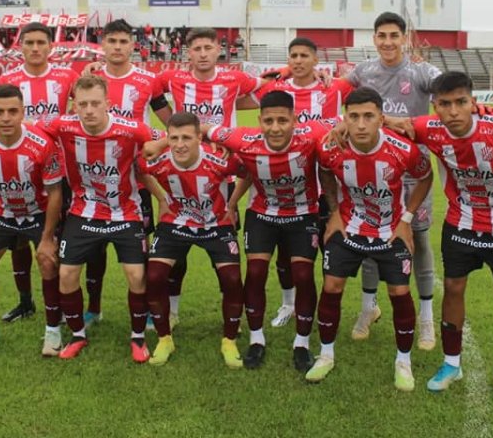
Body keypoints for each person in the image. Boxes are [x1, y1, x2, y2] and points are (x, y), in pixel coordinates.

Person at [412, 72, 493, 407]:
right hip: (461, 223)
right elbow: (391, 123)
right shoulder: (430, 129)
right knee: (453, 288)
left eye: (460, 102)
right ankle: (451, 364)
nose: (453, 110)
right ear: (434, 106)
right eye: (444, 104)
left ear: (473, 101)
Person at [307, 88, 433, 390]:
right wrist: (335, 211)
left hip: (391, 231)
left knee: (399, 292)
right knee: (331, 286)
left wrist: (407, 219)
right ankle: (326, 355)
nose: (361, 124)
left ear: (381, 119)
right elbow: (324, 172)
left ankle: (403, 361)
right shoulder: (330, 148)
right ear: (344, 119)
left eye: (368, 116)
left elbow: (426, 176)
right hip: (349, 226)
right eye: (354, 117)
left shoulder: (403, 149)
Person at [205, 90, 333, 373]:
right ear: (259, 120)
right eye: (268, 121)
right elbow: (201, 128)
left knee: (302, 274)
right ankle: (256, 338)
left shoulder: (312, 133)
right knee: (255, 273)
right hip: (262, 215)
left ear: (295, 120)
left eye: (282, 121)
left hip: (303, 214)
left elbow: (350, 120)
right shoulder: (243, 139)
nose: (275, 128)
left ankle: (301, 343)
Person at [151, 27, 272, 322]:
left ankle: (231, 314)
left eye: (208, 47)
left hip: (223, 175)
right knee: (175, 248)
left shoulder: (234, 78)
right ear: (187, 53)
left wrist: (281, 71)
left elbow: (266, 87)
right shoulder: (174, 78)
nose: (202, 54)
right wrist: (173, 127)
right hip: (180, 171)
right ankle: (174, 311)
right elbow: (152, 93)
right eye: (196, 49)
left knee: (225, 249)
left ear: (219, 50)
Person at [34, 75, 157, 364]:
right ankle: (78, 335)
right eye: (83, 104)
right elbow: (27, 129)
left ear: (108, 104)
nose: (88, 110)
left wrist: (161, 147)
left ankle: (137, 337)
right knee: (66, 275)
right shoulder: (63, 125)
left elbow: (162, 138)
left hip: (125, 212)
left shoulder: (130, 129)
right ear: (74, 104)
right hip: (82, 212)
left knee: (137, 276)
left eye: (95, 104)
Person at [341, 11, 441, 349]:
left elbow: (450, 95)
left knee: (421, 242)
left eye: (393, 36)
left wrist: (406, 122)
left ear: (404, 38)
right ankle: (369, 308)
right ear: (374, 39)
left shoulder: (421, 71)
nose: (387, 42)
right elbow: (337, 94)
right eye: (381, 36)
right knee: (370, 243)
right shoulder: (364, 71)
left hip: (414, 173)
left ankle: (426, 318)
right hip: (374, 174)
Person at [254, 36, 354, 328]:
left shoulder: (334, 87)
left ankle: (330, 306)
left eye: (304, 56)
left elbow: (368, 102)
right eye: (293, 56)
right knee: (285, 255)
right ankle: (288, 304)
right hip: (287, 187)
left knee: (329, 251)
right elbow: (244, 92)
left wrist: (345, 122)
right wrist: (278, 74)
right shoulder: (275, 88)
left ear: (315, 60)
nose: (298, 61)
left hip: (325, 185)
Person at [0, 84, 65, 356]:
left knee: (47, 261)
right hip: (4, 211)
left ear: (23, 113)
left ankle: (53, 331)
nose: (5, 117)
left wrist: (46, 239)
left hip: (39, 211)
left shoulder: (43, 144)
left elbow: (56, 193)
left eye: (12, 111)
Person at [82, 19, 172, 327]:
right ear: (103, 45)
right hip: (94, 178)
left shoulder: (149, 80)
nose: (118, 47)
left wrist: (161, 142)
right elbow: (75, 117)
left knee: (139, 245)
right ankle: (93, 308)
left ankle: (146, 308)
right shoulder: (89, 79)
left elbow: (170, 122)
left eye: (123, 41)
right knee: (93, 247)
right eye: (112, 41)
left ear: (133, 46)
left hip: (136, 178)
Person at [139, 112, 247, 368]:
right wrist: (161, 199)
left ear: (200, 137)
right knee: (154, 276)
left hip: (215, 224)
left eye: (187, 137)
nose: (180, 144)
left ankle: (229, 340)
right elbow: (139, 169)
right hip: (176, 223)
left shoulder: (218, 160)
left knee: (232, 279)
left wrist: (232, 204)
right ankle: (165, 338)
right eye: (173, 138)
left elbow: (247, 170)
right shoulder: (161, 161)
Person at [0, 22, 80, 323]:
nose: (34, 48)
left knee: (53, 241)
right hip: (16, 169)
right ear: (20, 46)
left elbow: (81, 108)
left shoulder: (67, 76)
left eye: (40, 43)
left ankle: (58, 308)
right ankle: (25, 302)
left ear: (50, 46)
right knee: (16, 238)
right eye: (29, 42)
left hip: (58, 169)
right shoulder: (9, 78)